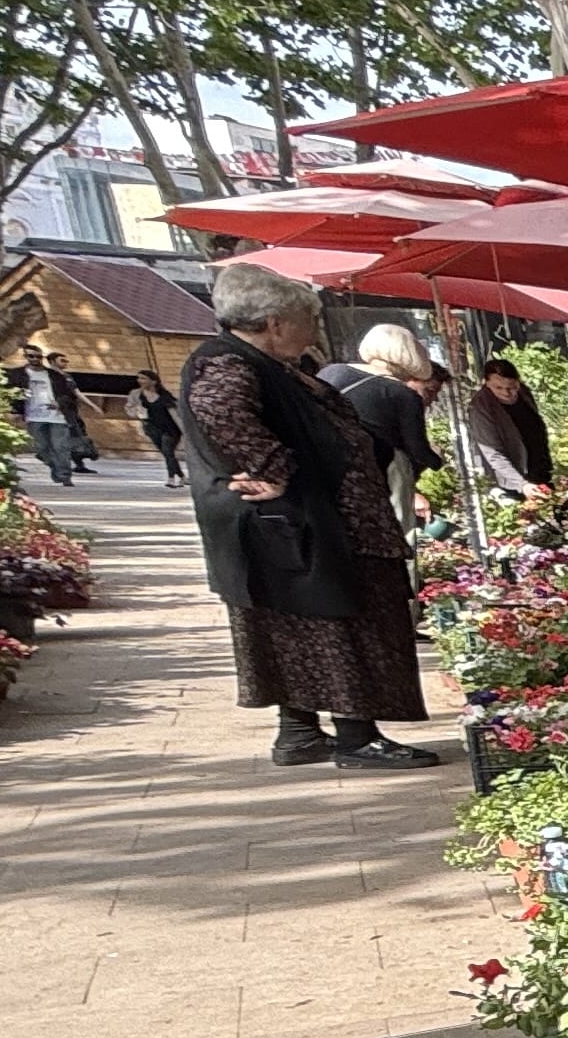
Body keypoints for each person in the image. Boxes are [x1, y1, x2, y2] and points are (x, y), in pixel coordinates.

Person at [182, 264, 443, 770]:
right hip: (303, 526)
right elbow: (222, 412)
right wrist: (273, 469)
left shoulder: (264, 362)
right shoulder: (228, 363)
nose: (315, 330)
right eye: (309, 319)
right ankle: (356, 737)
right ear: (275, 322)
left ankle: (301, 733)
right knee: (343, 622)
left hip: (303, 525)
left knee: (303, 629)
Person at [319, 324, 443, 530]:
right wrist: (437, 459)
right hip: (376, 474)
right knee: (394, 532)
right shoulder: (403, 395)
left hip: (327, 469)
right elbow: (417, 449)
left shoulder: (331, 372)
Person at [463, 356, 553, 495]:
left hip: (541, 468)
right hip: (518, 480)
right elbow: (493, 453)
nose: (506, 392)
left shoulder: (523, 392)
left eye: (512, 387)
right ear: (487, 383)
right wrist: (522, 484)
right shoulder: (480, 408)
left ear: (518, 382)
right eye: (498, 387)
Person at [16, 353, 78, 485]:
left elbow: (69, 395)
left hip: (57, 416)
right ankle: (55, 466)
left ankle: (65, 476)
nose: (35, 359)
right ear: (26, 357)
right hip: (34, 416)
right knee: (40, 448)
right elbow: (11, 394)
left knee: (61, 446)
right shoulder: (18, 374)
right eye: (31, 356)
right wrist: (16, 411)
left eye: (38, 356)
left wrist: (60, 403)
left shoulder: (55, 375)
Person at [133, 371, 185, 486]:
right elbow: (138, 412)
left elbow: (175, 415)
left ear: (154, 381)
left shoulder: (164, 397)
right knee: (167, 454)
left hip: (170, 429)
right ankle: (181, 476)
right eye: (139, 378)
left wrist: (184, 431)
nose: (140, 381)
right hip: (153, 429)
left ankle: (171, 479)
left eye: (143, 378)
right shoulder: (140, 396)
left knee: (168, 451)